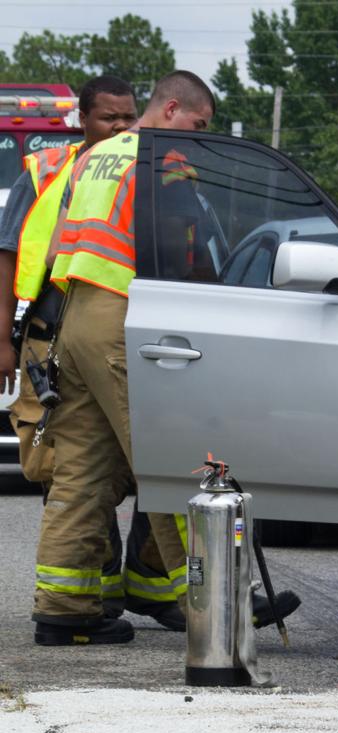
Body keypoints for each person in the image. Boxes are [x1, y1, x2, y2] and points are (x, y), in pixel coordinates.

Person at [32, 70, 298, 645]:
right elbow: (182, 251)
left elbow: (57, 243)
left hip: (74, 314)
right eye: (199, 125)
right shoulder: (164, 162)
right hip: (125, 316)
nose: (200, 136)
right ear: (172, 109)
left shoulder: (95, 157)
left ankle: (64, 608)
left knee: (82, 467)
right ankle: (220, 597)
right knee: (170, 455)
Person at [0, 75, 170, 624]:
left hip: (104, 335)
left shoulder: (139, 169)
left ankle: (105, 596)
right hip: (52, 335)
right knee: (69, 468)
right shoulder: (49, 171)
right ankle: (97, 596)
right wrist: (3, 341)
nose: (119, 128)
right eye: (107, 119)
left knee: (103, 467)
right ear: (82, 121)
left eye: (126, 118)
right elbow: (9, 256)